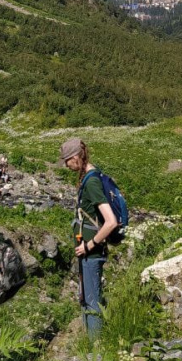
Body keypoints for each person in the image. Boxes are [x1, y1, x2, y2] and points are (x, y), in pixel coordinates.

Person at [60, 137, 118, 339]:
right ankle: (89, 342)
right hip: (87, 252)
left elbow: (110, 222)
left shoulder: (92, 182)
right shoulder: (90, 175)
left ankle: (96, 347)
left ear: (76, 157)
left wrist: (89, 245)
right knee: (87, 296)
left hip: (92, 253)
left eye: (67, 160)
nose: (66, 165)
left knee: (92, 300)